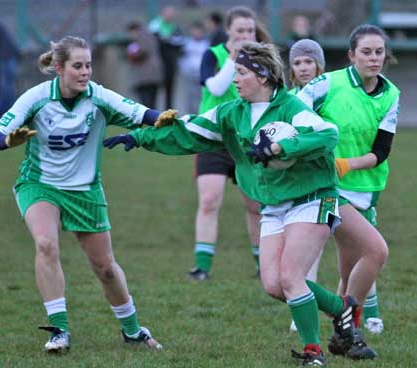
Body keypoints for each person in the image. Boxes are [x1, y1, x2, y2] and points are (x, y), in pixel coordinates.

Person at [104, 41, 359, 367]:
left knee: (291, 277)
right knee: (273, 284)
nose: (235, 79)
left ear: (264, 76)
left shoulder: (292, 108)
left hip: (313, 197)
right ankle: (341, 308)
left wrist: (282, 146)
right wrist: (139, 137)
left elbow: (327, 135)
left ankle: (313, 353)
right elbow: (186, 131)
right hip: (274, 204)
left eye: (241, 72)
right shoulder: (230, 113)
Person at [0, 36, 162, 353]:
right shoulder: (37, 98)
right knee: (45, 244)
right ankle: (59, 331)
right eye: (77, 66)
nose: (85, 72)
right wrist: (7, 141)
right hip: (40, 184)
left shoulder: (99, 97)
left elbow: (140, 112)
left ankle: (133, 331)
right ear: (59, 68)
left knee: (105, 268)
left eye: (89, 65)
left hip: (84, 190)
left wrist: (167, 118)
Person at [297, 24, 399, 359]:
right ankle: (351, 329)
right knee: (377, 252)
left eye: (379, 52)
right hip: (330, 188)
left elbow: (381, 151)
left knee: (349, 273)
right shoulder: (328, 83)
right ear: (351, 55)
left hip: (366, 190)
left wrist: (347, 164)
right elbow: (294, 112)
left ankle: (341, 334)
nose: (374, 59)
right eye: (366, 52)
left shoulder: (391, 95)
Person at [188, 6, 272, 281]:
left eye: (250, 30)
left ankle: (263, 265)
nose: (246, 35)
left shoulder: (261, 59)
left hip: (246, 140)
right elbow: (216, 88)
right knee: (210, 201)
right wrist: (234, 59)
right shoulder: (212, 55)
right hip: (213, 139)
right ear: (228, 31)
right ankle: (202, 267)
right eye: (240, 30)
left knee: (255, 205)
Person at [287, 38, 326, 333]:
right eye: (298, 62)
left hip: (332, 181)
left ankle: (366, 312)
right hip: (297, 184)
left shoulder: (329, 95)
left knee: (357, 251)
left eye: (308, 61)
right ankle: (301, 304)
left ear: (319, 65)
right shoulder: (288, 99)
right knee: (305, 250)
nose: (303, 67)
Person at [148, 5, 184, 109]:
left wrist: (168, 40)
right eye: (169, 14)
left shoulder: (174, 27)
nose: (171, 16)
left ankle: (169, 110)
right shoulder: (154, 26)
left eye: (172, 14)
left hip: (169, 63)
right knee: (154, 89)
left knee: (169, 88)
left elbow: (179, 42)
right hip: (156, 63)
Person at [126, 20, 163, 108]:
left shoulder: (142, 38)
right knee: (151, 102)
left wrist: (132, 56)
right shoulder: (150, 37)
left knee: (146, 103)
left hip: (145, 77)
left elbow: (143, 52)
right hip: (152, 75)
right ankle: (152, 119)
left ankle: (150, 120)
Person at [178, 20, 209, 113]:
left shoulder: (207, 44)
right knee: (189, 97)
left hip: (202, 75)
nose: (196, 33)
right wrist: (184, 70)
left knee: (201, 97)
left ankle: (202, 116)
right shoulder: (186, 44)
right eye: (194, 30)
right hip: (189, 74)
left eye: (198, 31)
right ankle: (190, 117)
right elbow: (181, 59)